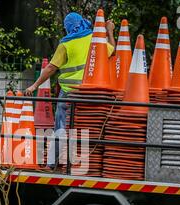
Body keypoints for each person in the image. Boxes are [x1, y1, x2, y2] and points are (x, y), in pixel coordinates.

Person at [25, 12, 116, 169]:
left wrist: (35, 86)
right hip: (91, 94)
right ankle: (85, 165)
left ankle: (51, 164)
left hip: (68, 93)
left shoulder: (66, 44)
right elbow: (112, 51)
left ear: (68, 28)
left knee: (61, 128)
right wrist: (110, 32)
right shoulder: (94, 40)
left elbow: (51, 68)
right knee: (86, 128)